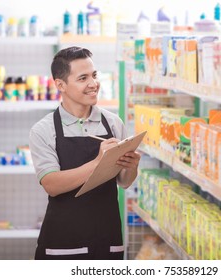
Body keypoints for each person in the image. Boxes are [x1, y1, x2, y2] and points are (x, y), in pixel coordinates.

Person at [29, 46, 141, 260]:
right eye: (83, 78)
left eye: (94, 75)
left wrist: (131, 166)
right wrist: (98, 162)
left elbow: (124, 182)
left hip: (107, 238)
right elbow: (52, 185)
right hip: (63, 243)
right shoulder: (44, 130)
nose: (93, 84)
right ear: (60, 85)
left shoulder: (113, 123)